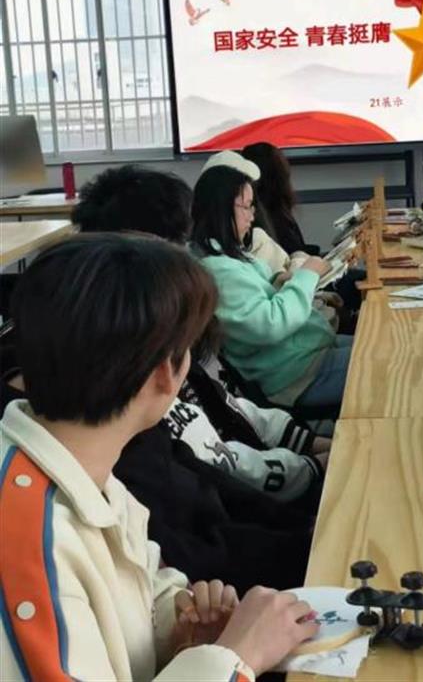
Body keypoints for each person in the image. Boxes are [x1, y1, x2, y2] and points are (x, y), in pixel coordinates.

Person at [0, 233, 317, 681]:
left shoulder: (86, 471)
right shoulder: (26, 540)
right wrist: (234, 658)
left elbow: (137, 598)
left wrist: (178, 628)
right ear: (167, 373)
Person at [72, 165, 331, 506]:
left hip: (270, 466)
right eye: (175, 247)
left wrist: (308, 446)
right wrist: (311, 468)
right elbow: (220, 475)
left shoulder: (169, 332)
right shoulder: (132, 373)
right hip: (259, 502)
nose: (186, 260)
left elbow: (230, 404)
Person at [191, 166, 353, 411]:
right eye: (246, 207)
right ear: (221, 209)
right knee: (394, 364)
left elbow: (257, 300)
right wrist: (307, 274)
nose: (252, 216)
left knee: (385, 347)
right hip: (296, 373)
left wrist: (279, 284)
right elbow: (270, 324)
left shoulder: (228, 256)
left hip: (306, 354)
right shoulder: (219, 270)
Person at [242, 142, 364, 312]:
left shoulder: (271, 210)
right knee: (363, 281)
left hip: (308, 278)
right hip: (306, 284)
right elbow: (293, 260)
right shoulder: (269, 216)